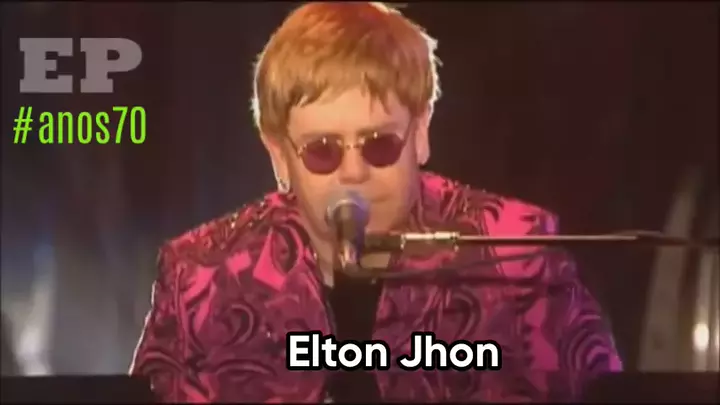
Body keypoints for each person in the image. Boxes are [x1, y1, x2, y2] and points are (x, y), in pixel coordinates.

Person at [130, 2, 622, 402]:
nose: (353, 172)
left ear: (420, 133)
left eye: (380, 144)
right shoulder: (199, 274)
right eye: (322, 150)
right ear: (279, 154)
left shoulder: (520, 253)